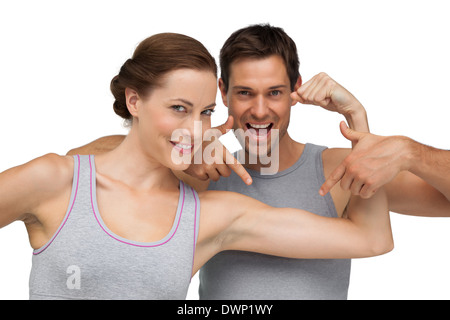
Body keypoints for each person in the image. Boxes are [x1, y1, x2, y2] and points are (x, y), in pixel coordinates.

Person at [0, 32, 392, 300]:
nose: (194, 128)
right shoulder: (56, 180)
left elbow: (372, 240)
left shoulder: (209, 214)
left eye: (205, 112)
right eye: (178, 109)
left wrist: (358, 119)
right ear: (134, 101)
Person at [70, 24, 450, 300]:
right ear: (222, 92)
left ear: (294, 90)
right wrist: (184, 153)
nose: (260, 109)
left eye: (275, 93)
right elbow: (80, 164)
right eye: (245, 93)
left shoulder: (340, 170)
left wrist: (408, 151)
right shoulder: (201, 174)